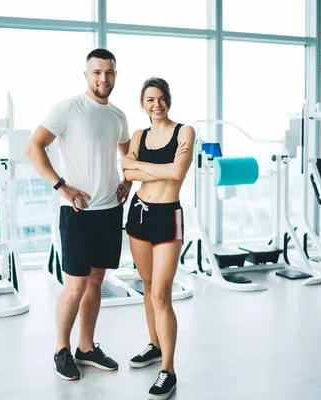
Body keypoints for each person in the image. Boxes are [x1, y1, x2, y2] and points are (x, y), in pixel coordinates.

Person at [25, 48, 131, 381]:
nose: (104, 78)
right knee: (75, 286)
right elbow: (34, 146)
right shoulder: (69, 108)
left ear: (115, 75)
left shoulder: (118, 115)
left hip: (109, 211)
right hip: (78, 212)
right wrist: (61, 186)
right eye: (97, 72)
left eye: (110, 72)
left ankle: (86, 348)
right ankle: (62, 350)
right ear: (86, 75)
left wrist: (127, 180)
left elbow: (126, 154)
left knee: (97, 281)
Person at [122, 77, 195, 400]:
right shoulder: (139, 135)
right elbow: (126, 173)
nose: (156, 104)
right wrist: (152, 167)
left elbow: (178, 174)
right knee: (148, 286)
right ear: (142, 104)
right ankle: (154, 345)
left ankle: (168, 370)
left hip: (168, 217)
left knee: (162, 295)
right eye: (150, 99)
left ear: (169, 100)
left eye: (161, 98)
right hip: (138, 214)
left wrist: (140, 166)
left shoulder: (185, 132)